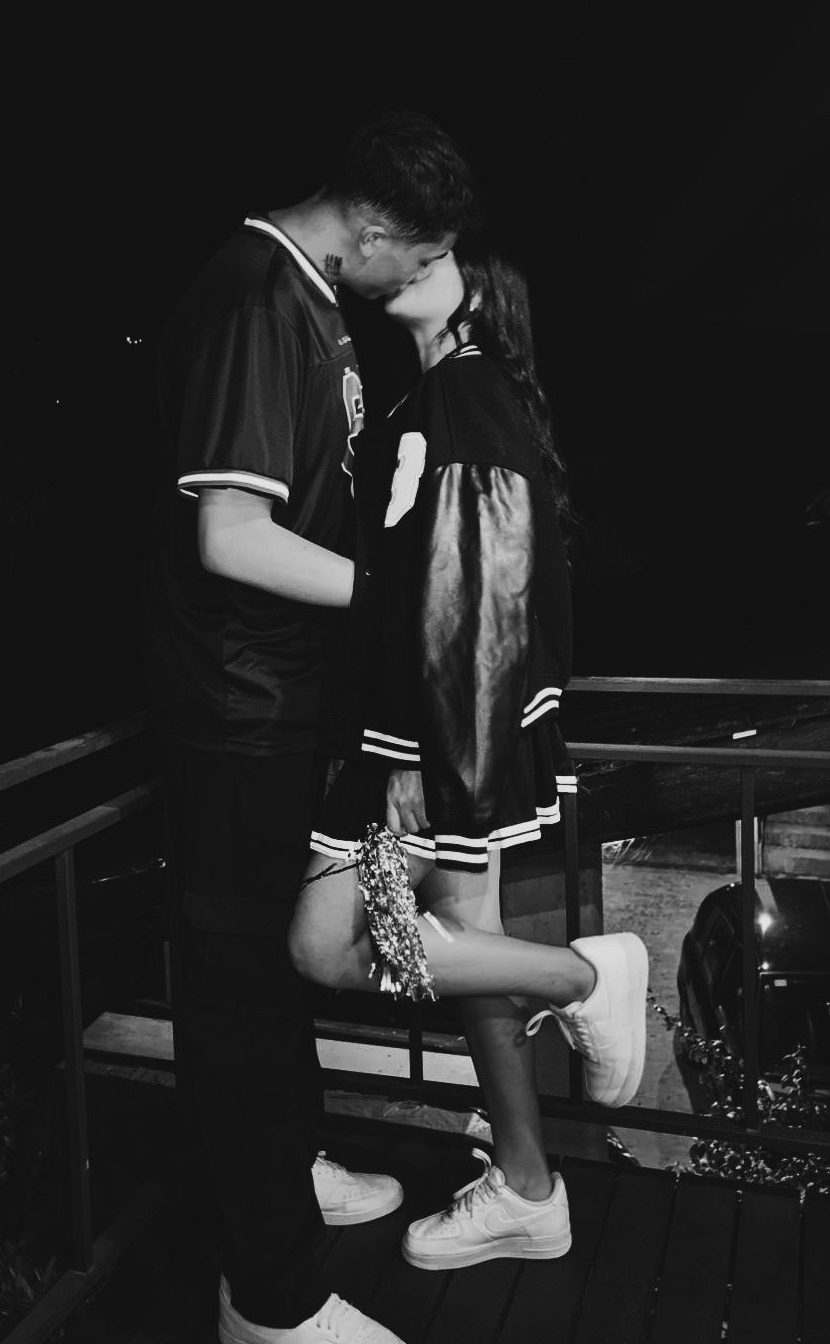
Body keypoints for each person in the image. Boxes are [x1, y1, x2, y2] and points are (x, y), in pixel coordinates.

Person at [141, 109, 482, 1344]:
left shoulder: (314, 300)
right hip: (235, 710)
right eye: (423, 255)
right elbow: (229, 537)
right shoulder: (254, 299)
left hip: (283, 707)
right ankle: (268, 1300)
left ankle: (283, 1175)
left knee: (275, 974)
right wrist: (398, 602)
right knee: (237, 991)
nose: (426, 277)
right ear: (376, 229)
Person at [288, 236, 649, 1272]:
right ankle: (529, 1191)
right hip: (445, 735)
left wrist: (427, 758)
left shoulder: (462, 392)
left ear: (478, 297)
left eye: (439, 256)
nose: (411, 258)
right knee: (468, 951)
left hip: (423, 742)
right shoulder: (449, 396)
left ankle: (581, 975)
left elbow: (472, 588)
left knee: (323, 945)